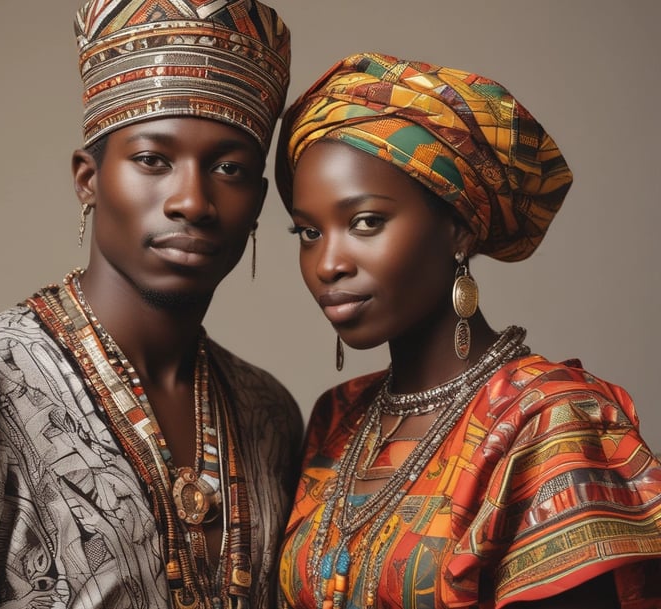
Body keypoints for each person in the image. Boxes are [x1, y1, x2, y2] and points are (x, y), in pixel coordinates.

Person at [0, 1, 303, 608]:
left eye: (229, 167)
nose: (192, 199)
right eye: (152, 160)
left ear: (260, 202)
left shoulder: (269, 414)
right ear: (88, 178)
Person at [273, 52, 661, 609]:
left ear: (458, 229)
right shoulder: (338, 417)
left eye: (365, 222)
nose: (327, 262)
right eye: (309, 231)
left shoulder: (548, 422)